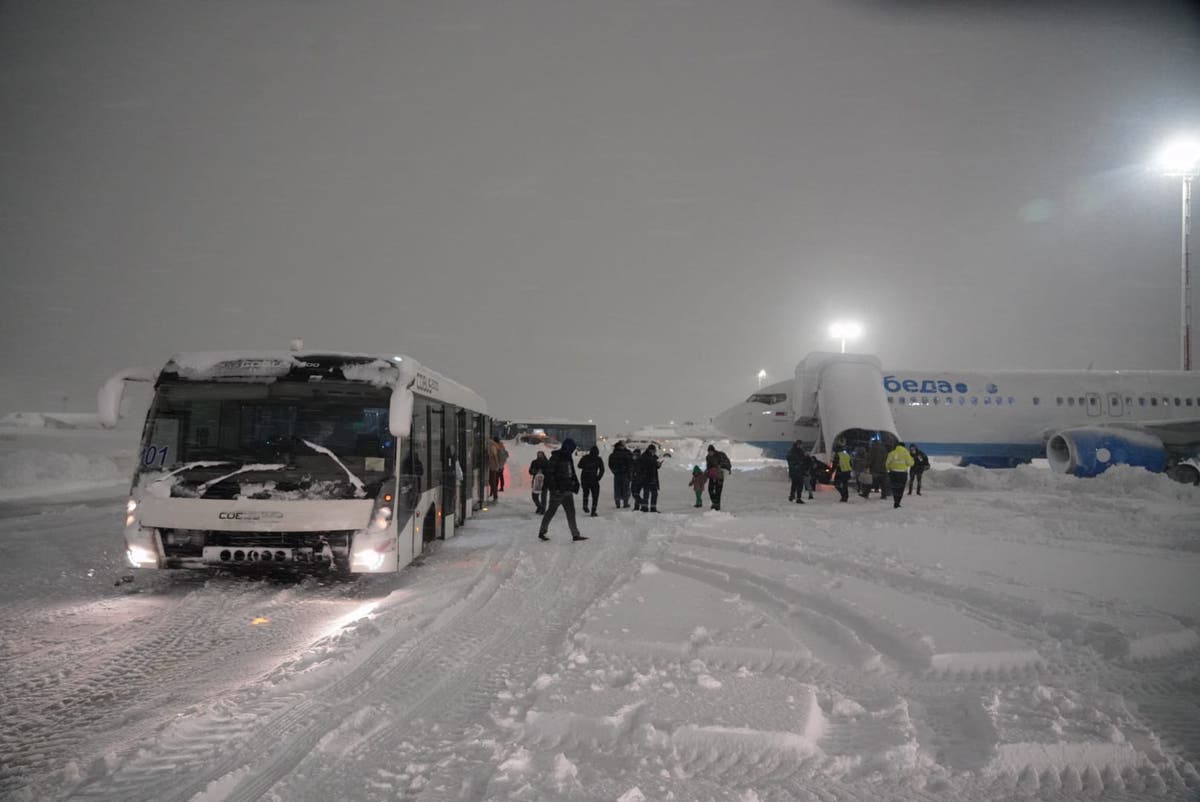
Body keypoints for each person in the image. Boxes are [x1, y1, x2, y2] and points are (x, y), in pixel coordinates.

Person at [538, 438, 587, 542]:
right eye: (572, 448)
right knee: (551, 511)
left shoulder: (568, 458)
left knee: (571, 512)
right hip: (558, 491)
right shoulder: (556, 457)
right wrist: (554, 487)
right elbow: (549, 474)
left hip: (567, 490)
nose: (573, 451)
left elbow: (572, 472)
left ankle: (575, 534)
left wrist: (575, 483)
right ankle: (542, 531)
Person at [886, 440, 915, 509]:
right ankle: (897, 502)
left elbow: (887, 464)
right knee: (901, 488)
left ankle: (895, 501)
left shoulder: (892, 453)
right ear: (903, 446)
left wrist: (890, 469)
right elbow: (911, 464)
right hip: (902, 474)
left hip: (893, 473)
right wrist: (912, 460)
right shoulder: (906, 453)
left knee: (894, 488)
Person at [578, 445, 605, 517]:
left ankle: (585, 506)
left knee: (585, 493)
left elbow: (579, 465)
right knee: (595, 496)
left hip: (584, 478)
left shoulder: (585, 458)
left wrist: (586, 466)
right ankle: (593, 511)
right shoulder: (599, 459)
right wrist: (598, 477)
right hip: (594, 479)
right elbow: (602, 469)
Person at [705, 444, 732, 510]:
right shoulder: (708, 457)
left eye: (711, 451)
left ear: (713, 451)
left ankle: (717, 505)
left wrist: (720, 467)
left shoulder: (720, 455)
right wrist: (707, 472)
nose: (710, 453)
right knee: (710, 489)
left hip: (721, 473)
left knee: (718, 490)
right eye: (709, 452)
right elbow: (708, 466)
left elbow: (726, 464)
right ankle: (714, 502)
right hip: (713, 473)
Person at [607, 440, 634, 508]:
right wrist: (629, 472)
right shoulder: (627, 453)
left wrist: (614, 471)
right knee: (626, 488)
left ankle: (617, 503)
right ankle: (625, 503)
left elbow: (610, 465)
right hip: (625, 474)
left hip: (617, 474)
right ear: (621, 446)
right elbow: (631, 463)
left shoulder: (613, 454)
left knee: (617, 488)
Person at [637, 444, 662, 512]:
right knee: (647, 493)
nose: (654, 452)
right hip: (647, 478)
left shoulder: (652, 457)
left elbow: (654, 466)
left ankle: (652, 508)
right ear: (650, 450)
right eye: (654, 450)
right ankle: (645, 508)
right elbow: (647, 465)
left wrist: (658, 465)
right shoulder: (645, 456)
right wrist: (655, 463)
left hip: (652, 478)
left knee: (654, 494)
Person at [486, 437, 504, 502]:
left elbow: (494, 456)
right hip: (494, 466)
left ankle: (494, 495)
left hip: (493, 466)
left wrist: (497, 465)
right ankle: (493, 494)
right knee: (493, 481)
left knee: (492, 481)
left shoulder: (492, 446)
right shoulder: (496, 446)